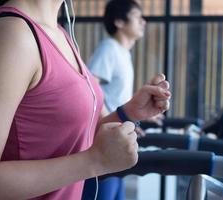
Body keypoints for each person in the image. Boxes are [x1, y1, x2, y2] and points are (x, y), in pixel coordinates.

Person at [0, 1, 171, 200]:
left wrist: (128, 113)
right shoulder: (13, 34)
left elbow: (71, 138)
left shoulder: (61, 34)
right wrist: (93, 161)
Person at [82, 1, 152, 200]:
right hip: (104, 140)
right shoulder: (109, 48)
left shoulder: (123, 53)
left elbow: (112, 95)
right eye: (137, 16)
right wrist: (114, 119)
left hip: (117, 139)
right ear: (120, 21)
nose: (143, 22)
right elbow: (90, 88)